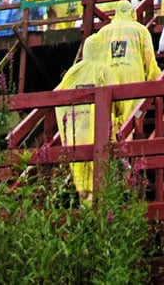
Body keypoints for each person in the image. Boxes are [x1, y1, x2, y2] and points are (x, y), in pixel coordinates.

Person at [55, 33, 121, 203]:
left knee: (82, 179)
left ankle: (87, 211)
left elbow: (58, 96)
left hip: (75, 133)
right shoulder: (103, 69)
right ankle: (103, 214)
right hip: (96, 132)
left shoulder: (73, 71)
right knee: (102, 174)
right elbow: (118, 96)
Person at [96, 1, 160, 126]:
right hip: (133, 75)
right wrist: (156, 78)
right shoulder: (140, 29)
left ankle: (113, 141)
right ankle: (128, 139)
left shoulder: (104, 31)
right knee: (132, 114)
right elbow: (148, 58)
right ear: (132, 13)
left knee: (111, 114)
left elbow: (95, 55)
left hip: (109, 75)